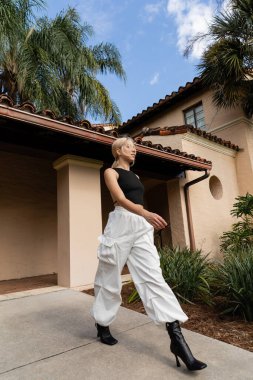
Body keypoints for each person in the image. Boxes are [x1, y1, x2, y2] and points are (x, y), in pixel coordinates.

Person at [91, 137, 207, 371]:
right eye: (128, 147)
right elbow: (120, 200)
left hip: (140, 227)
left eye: (134, 148)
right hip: (121, 225)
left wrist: (144, 216)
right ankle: (102, 324)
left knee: (154, 278)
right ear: (117, 151)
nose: (133, 150)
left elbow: (134, 200)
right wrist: (146, 213)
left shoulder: (135, 176)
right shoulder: (110, 173)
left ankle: (177, 341)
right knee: (109, 278)